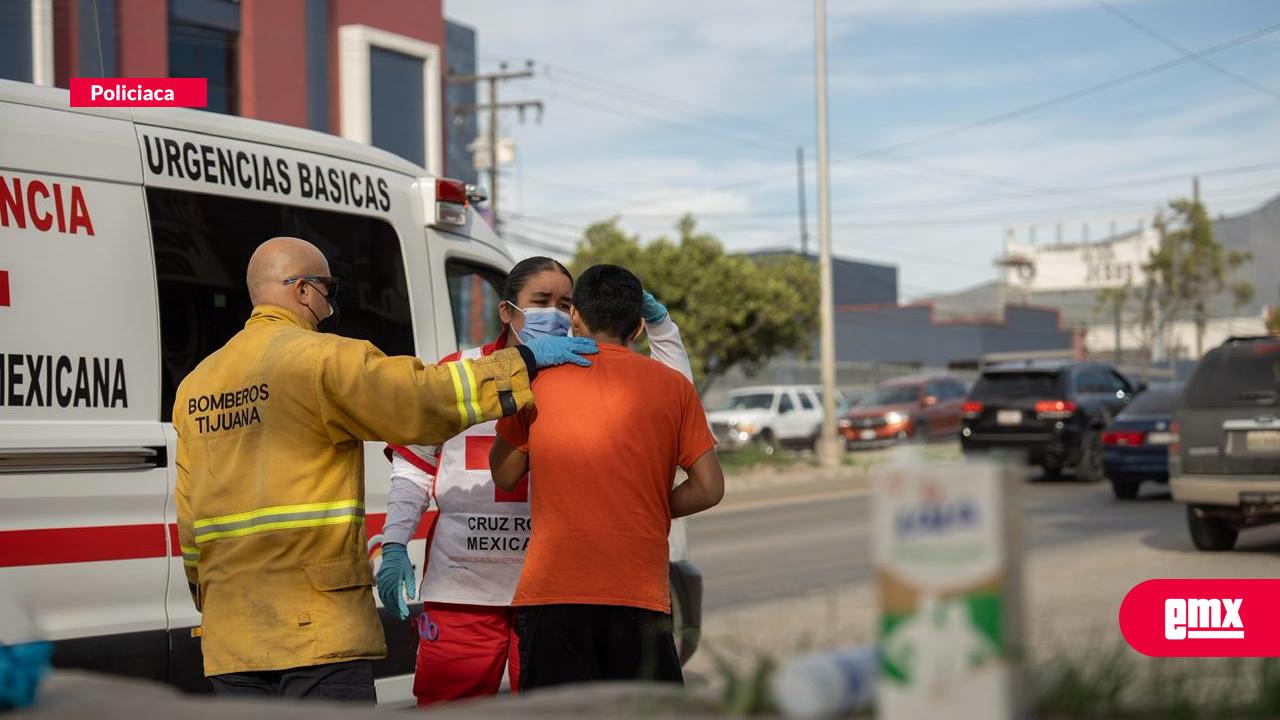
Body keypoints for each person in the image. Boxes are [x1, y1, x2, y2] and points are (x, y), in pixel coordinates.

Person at [172, 237, 597, 703]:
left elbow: (189, 518)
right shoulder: (322, 359)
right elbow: (422, 398)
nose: (329, 302)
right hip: (315, 628)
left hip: (232, 634)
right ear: (301, 291)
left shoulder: (197, 386)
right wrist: (525, 363)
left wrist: (207, 597)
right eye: (327, 287)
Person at [375, 256, 694, 706]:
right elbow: (414, 465)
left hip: (550, 594)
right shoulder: (460, 371)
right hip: (463, 590)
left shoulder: (578, 370)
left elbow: (671, 400)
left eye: (566, 303)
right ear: (507, 311)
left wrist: (661, 328)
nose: (556, 313)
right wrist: (394, 544)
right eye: (541, 301)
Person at [489, 263, 725, 690]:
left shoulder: (538, 381)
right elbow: (709, 487)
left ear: (575, 315)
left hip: (553, 594)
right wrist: (654, 503)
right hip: (640, 596)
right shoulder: (674, 387)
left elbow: (504, 475)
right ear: (637, 327)